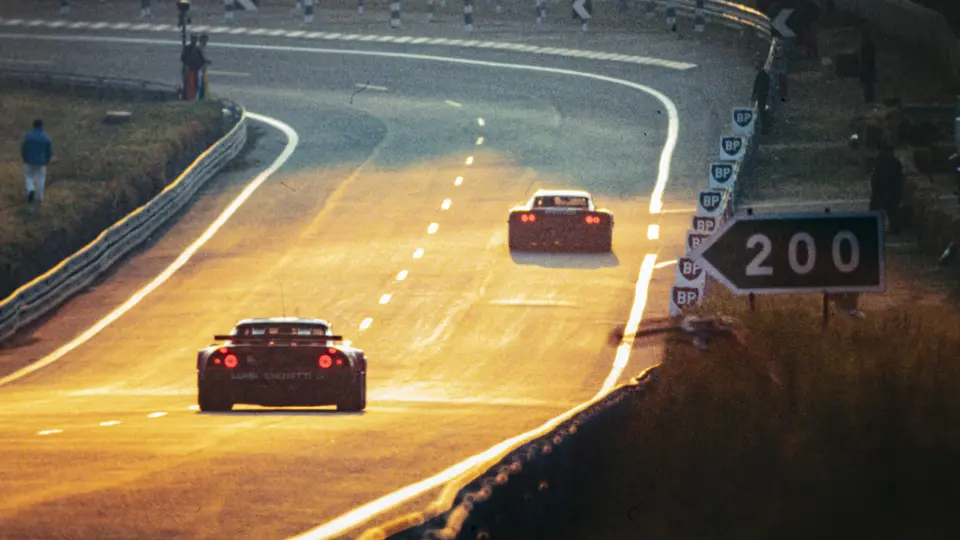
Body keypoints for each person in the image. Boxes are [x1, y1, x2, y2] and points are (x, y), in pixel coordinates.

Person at [869, 142, 904, 234]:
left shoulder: (881, 160)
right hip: (890, 190)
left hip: (883, 189)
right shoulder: (894, 162)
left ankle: (875, 228)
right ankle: (895, 229)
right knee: (892, 210)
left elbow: (876, 176)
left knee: (879, 209)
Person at [21, 119, 53, 203]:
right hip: (41, 161)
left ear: (33, 126)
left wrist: (24, 157)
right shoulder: (46, 138)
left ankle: (30, 190)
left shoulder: (28, 136)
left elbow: (24, 148)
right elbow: (49, 151)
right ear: (42, 126)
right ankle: (39, 197)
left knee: (29, 176)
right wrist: (47, 160)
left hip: (29, 160)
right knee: (40, 179)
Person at [859, 27, 877, 103]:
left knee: (868, 84)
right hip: (868, 67)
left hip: (868, 66)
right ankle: (869, 98)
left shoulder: (867, 46)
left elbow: (866, 57)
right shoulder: (868, 46)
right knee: (868, 84)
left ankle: (869, 98)